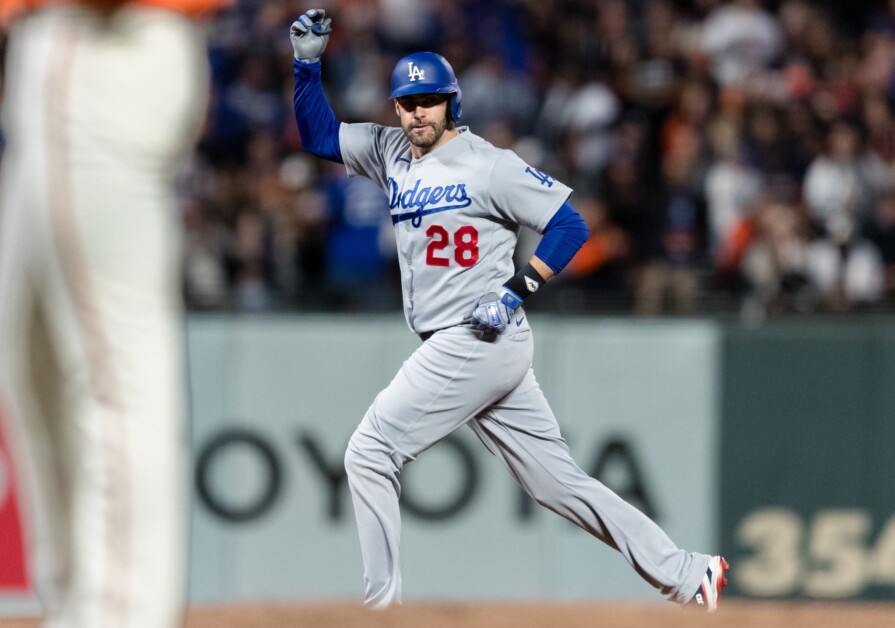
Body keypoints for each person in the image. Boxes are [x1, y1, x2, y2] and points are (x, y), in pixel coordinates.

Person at [289, 8, 729, 612]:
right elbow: (317, 136)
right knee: (559, 485)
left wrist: (518, 289)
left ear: (452, 104)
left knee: (369, 451)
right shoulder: (390, 150)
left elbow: (570, 226)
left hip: (478, 334)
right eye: (408, 101)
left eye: (430, 100)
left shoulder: (488, 163)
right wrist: (306, 67)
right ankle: (688, 573)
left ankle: (378, 612)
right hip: (467, 345)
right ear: (395, 108)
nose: (418, 111)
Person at [0, 0, 226, 626]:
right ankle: (76, 608)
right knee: (28, 361)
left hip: (111, 44)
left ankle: (122, 616)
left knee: (118, 395)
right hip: (50, 51)